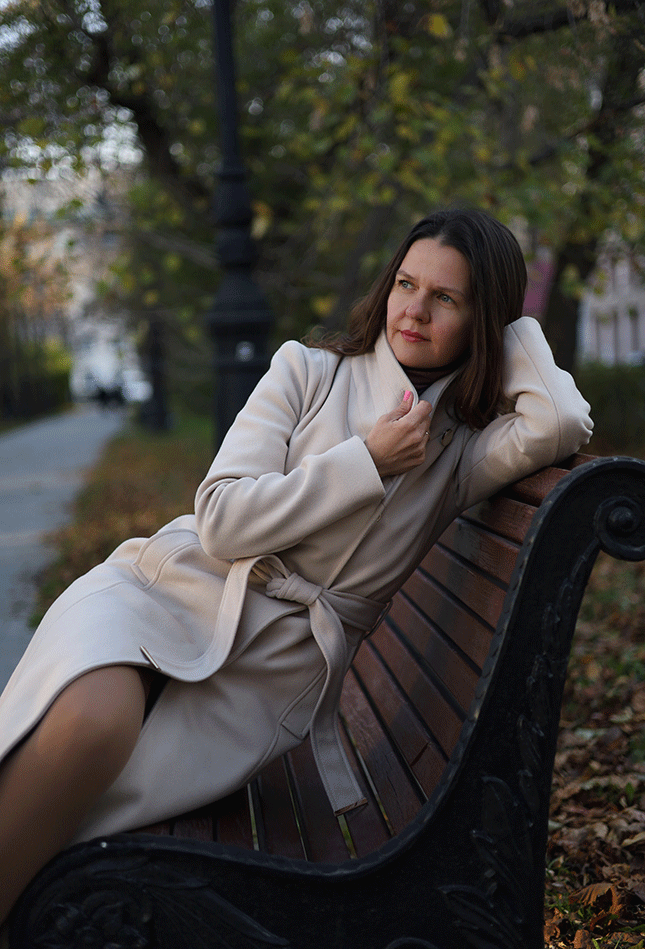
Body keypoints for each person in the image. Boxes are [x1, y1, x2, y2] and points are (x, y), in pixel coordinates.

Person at [0, 208, 593, 925]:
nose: (413, 310)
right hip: (165, 592)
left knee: (91, 778)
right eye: (406, 284)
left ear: (483, 320)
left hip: (263, 675)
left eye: (446, 297)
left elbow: (559, 419)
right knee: (86, 720)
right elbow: (221, 519)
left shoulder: (459, 449)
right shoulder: (306, 369)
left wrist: (512, 326)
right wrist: (365, 462)